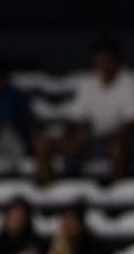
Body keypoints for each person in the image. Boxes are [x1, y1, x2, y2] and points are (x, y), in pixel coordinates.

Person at [35, 38, 134, 185]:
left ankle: (117, 193)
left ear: (117, 60)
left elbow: (129, 125)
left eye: (107, 59)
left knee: (117, 147)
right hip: (90, 141)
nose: (104, 64)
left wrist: (93, 138)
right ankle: (48, 193)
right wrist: (71, 136)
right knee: (43, 143)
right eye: (99, 59)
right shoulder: (88, 83)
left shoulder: (129, 82)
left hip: (119, 141)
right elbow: (75, 118)